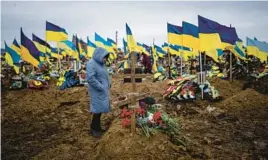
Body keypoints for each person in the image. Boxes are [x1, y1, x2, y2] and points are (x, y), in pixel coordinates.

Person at [86, 47, 111, 138]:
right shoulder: (91, 64)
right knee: (97, 110)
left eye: (106, 58)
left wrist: (109, 84)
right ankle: (94, 129)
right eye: (105, 57)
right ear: (99, 55)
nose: (105, 60)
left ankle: (97, 128)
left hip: (103, 91)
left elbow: (105, 76)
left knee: (99, 111)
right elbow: (91, 79)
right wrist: (101, 87)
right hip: (97, 91)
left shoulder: (101, 64)